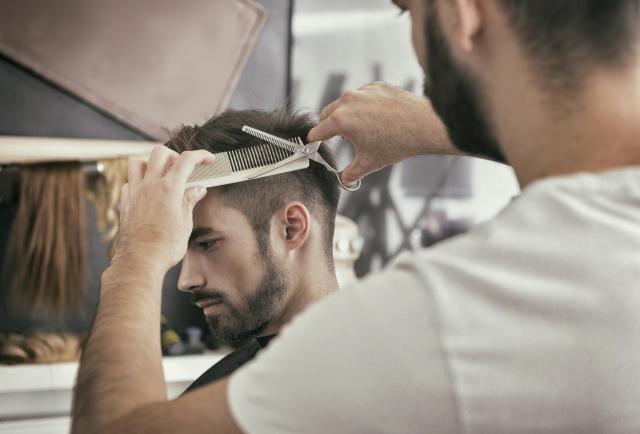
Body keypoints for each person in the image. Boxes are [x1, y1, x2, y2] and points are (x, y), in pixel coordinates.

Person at [72, 0, 640, 433]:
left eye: (408, 11)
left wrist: (138, 254)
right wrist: (443, 127)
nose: (414, 43)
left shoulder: (436, 322)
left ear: (464, 14)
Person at [163, 109, 341, 392]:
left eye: (207, 243)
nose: (186, 281)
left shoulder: (365, 385)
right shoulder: (223, 389)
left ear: (291, 228)